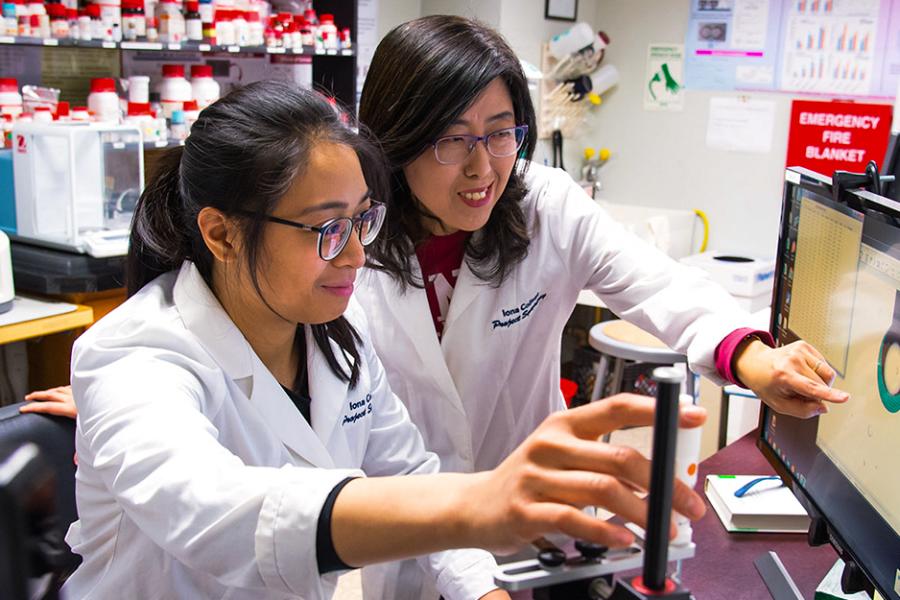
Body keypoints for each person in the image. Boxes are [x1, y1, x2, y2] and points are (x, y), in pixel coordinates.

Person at [58, 81, 708, 600]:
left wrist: (482, 588)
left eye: (364, 219)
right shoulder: (134, 354)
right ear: (223, 235)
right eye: (326, 230)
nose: (358, 255)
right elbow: (214, 517)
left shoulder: (335, 344)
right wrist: (480, 501)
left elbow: (411, 477)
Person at [354, 15, 849, 597]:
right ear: (397, 139)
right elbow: (390, 459)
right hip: (412, 541)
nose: (482, 167)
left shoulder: (546, 208)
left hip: (537, 534)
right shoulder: (349, 258)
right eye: (452, 139)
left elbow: (658, 284)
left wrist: (748, 355)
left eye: (499, 132)